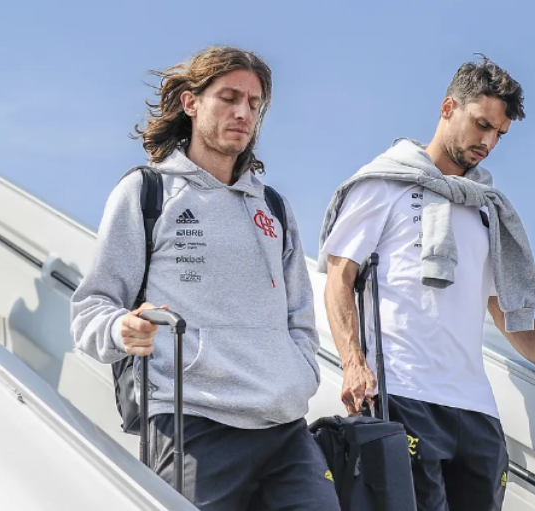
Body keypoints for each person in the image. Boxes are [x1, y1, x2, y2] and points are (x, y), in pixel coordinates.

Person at [319, 55, 535, 511]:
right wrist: (353, 363)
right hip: (403, 394)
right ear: (447, 106)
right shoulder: (383, 184)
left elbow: (509, 313)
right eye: (481, 125)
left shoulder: (485, 208)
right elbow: (339, 277)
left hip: (476, 410)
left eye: (499, 134)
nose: (489, 142)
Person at [70, 46, 340, 511]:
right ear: (191, 103)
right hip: (192, 420)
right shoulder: (147, 191)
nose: (243, 113)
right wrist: (121, 328)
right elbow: (91, 307)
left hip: (284, 425)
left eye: (254, 104)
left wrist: (299, 375)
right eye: (229, 97)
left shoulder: (273, 207)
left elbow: (300, 315)